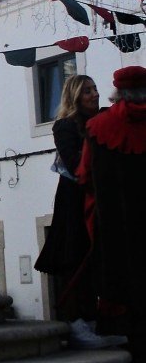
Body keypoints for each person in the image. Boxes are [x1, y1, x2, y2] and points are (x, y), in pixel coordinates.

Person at [34, 74, 118, 349]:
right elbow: (74, 161)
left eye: (95, 89)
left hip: (100, 197)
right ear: (75, 97)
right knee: (75, 254)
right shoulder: (64, 126)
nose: (95, 94)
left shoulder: (104, 118)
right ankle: (76, 321)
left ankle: (93, 320)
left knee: (98, 259)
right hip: (74, 198)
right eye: (87, 91)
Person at [77, 66, 146, 358]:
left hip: (115, 226)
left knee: (123, 284)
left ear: (117, 91)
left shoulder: (97, 126)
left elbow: (84, 175)